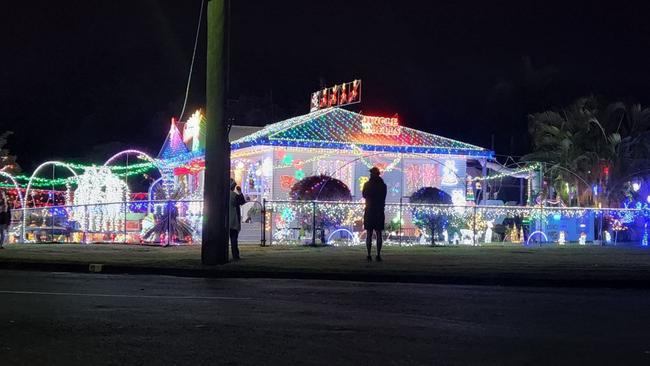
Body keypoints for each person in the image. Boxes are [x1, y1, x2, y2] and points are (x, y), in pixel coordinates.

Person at [362, 167, 387, 262]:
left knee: (369, 233)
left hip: (369, 211)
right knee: (379, 233)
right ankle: (378, 255)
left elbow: (364, 195)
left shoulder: (367, 185)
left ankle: (368, 255)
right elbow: (383, 196)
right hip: (379, 211)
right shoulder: (383, 186)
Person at [229, 178, 246, 261]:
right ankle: (235, 256)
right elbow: (242, 202)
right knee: (234, 240)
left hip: (224, 221)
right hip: (233, 220)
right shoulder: (234, 196)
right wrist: (240, 192)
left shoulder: (221, 195)